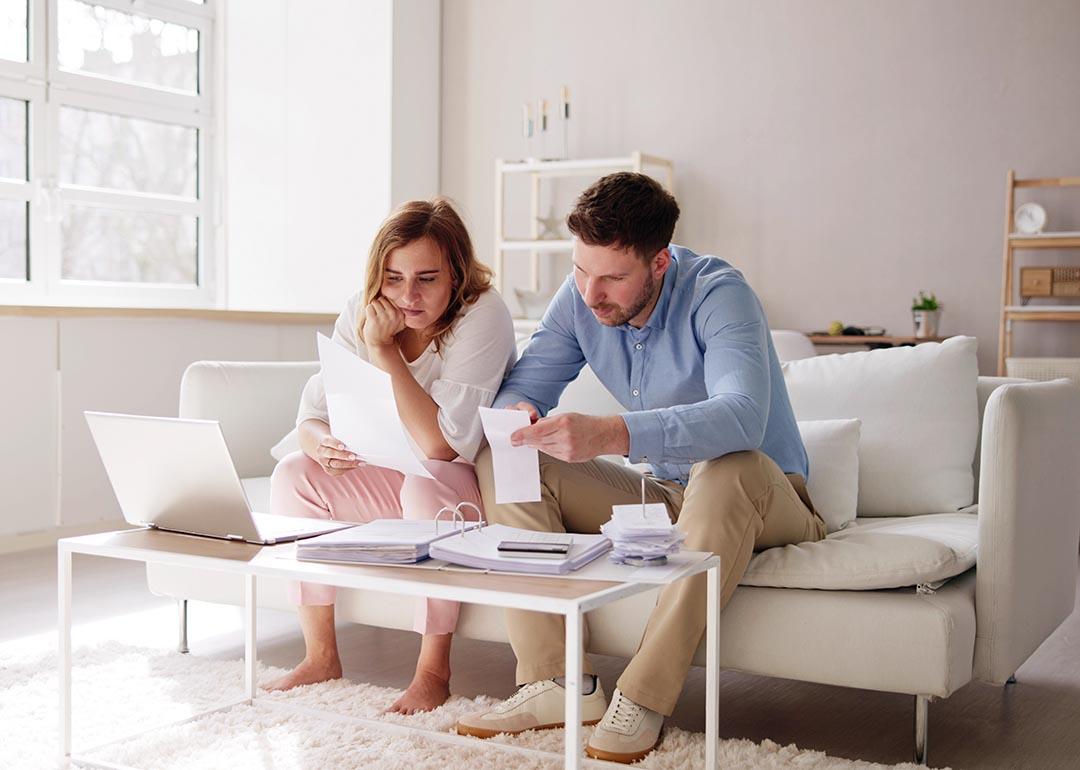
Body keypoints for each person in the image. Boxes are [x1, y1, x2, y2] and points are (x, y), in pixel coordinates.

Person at [455, 173, 827, 762]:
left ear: (659, 263)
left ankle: (643, 697)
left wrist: (611, 432)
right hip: (665, 496)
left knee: (729, 466)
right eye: (580, 270)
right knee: (505, 453)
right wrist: (517, 411)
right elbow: (526, 383)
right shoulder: (579, 296)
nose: (590, 292)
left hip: (763, 495)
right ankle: (554, 682)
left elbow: (743, 418)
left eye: (611, 277)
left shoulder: (719, 293)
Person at [267, 198, 516, 715]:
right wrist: (322, 445)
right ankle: (320, 656)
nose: (407, 296)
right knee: (293, 473)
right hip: (390, 474)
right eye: (393, 278)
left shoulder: (483, 314)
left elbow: (441, 445)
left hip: (463, 486)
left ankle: (433, 672)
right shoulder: (362, 308)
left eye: (427, 278)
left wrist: (384, 353)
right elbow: (311, 415)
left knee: (423, 484)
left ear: (457, 275)